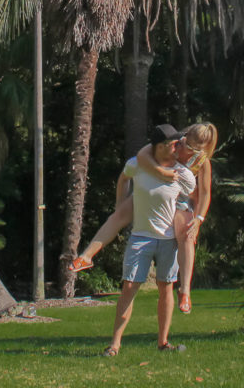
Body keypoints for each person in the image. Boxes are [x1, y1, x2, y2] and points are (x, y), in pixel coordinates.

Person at [70, 122, 218, 314]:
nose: (186, 149)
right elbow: (142, 155)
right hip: (154, 188)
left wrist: (199, 218)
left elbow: (205, 194)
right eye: (186, 144)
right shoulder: (175, 142)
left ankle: (185, 290)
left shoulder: (201, 161)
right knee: (119, 215)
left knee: (187, 234)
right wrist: (161, 172)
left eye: (192, 148)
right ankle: (86, 256)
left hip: (180, 198)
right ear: (186, 135)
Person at [104, 124, 195, 356]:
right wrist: (120, 207)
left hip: (167, 239)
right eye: (175, 143)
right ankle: (114, 344)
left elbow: (194, 195)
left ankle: (163, 342)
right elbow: (123, 178)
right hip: (140, 238)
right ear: (162, 146)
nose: (179, 146)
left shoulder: (182, 173)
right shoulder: (138, 165)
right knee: (129, 287)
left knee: (166, 288)